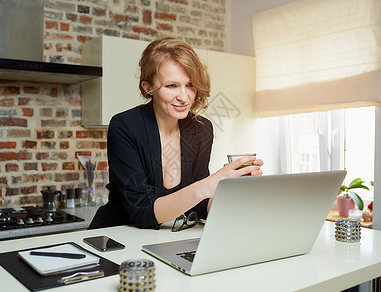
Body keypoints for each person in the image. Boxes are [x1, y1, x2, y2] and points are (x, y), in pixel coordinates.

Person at [89, 37, 263, 230]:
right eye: (171, 86)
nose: (183, 97)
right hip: (116, 236)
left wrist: (227, 192)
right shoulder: (125, 127)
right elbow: (142, 212)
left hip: (164, 238)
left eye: (190, 85)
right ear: (148, 87)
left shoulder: (201, 129)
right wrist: (209, 184)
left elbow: (195, 204)